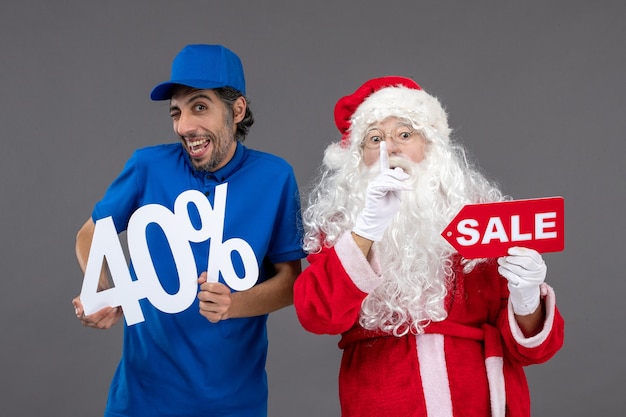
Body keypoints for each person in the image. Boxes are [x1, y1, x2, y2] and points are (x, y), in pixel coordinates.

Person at [293, 76, 564, 417]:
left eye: (404, 135)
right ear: (356, 159)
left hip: (477, 400)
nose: (389, 149)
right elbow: (318, 316)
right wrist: (367, 229)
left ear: (431, 145)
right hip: (382, 401)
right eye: (374, 139)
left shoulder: (481, 220)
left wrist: (526, 299)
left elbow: (532, 353)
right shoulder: (339, 232)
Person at [72, 44, 306, 417]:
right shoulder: (147, 166)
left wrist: (234, 304)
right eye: (176, 112)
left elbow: (292, 280)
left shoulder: (275, 177)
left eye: (200, 107)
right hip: (141, 400)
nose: (184, 126)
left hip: (234, 402)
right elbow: (89, 234)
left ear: (237, 110)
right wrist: (107, 290)